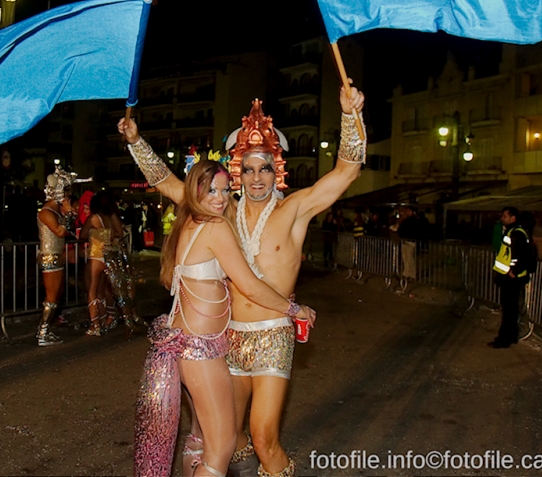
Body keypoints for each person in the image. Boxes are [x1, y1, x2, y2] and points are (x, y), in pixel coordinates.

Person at [122, 84, 363, 477]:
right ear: (237, 172)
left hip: (272, 334)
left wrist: (351, 116)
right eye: (248, 168)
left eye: (264, 167)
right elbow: (166, 182)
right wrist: (136, 142)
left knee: (264, 436)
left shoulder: (294, 210)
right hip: (228, 339)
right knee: (224, 439)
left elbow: (346, 173)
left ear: (276, 169)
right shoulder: (221, 210)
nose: (256, 177)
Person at [133, 160, 314, 477]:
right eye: (210, 190)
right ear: (195, 192)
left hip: (183, 346)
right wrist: (294, 309)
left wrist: (135, 143)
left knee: (199, 440)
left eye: (224, 190)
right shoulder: (215, 227)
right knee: (220, 450)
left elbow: (163, 179)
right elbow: (250, 286)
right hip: (200, 351)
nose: (219, 197)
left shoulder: (189, 221)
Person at [35, 166, 76, 346]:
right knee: (51, 296)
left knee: (56, 295)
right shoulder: (46, 212)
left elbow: (68, 232)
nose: (68, 197)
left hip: (56, 256)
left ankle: (46, 330)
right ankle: (42, 333)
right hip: (49, 257)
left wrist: (67, 214)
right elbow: (60, 231)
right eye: (66, 193)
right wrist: (69, 213)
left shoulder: (56, 212)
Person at [79, 192, 123, 336]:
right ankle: (106, 318)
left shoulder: (93, 218)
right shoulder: (110, 217)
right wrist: (106, 234)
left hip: (95, 256)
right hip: (107, 256)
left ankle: (95, 324)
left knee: (91, 290)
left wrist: (96, 234)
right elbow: (119, 233)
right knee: (103, 290)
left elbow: (83, 235)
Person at [490, 206, 531, 349]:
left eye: (505, 216)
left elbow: (521, 255)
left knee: (509, 309)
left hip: (511, 278)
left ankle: (504, 339)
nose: (502, 219)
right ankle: (510, 336)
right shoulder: (513, 231)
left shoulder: (516, 233)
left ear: (513, 218)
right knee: (510, 309)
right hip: (510, 276)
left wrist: (514, 271)